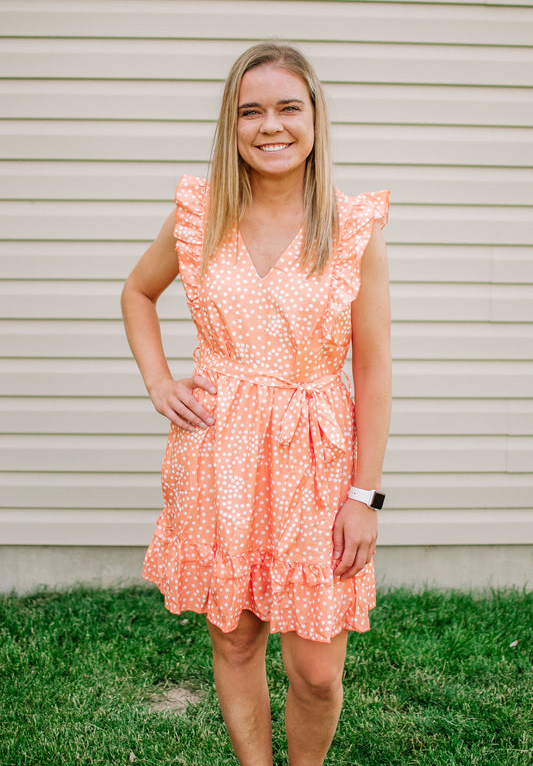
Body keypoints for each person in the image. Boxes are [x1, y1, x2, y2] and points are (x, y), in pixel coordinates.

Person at [121, 41, 391, 766]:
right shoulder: (200, 213)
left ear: (313, 119)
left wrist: (365, 495)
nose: (270, 126)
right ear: (231, 125)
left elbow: (371, 371)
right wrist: (159, 381)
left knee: (316, 672)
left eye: (287, 108)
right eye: (251, 111)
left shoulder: (349, 228)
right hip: (219, 456)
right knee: (236, 639)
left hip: (316, 461)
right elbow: (137, 293)